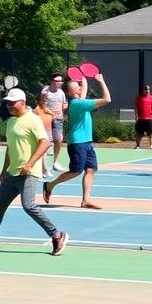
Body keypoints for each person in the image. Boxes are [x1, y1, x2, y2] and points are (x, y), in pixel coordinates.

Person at [0, 88, 69, 256]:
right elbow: (10, 147)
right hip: (12, 174)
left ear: (23, 102)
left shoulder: (33, 120)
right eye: (8, 103)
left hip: (29, 173)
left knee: (29, 206)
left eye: (13, 103)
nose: (10, 106)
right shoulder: (11, 122)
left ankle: (56, 235)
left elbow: (44, 143)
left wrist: (30, 163)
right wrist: (4, 169)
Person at [42, 73, 111, 210]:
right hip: (77, 143)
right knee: (76, 171)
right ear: (73, 92)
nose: (80, 88)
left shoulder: (78, 102)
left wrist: (83, 77)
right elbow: (107, 99)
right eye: (77, 87)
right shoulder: (78, 104)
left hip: (87, 142)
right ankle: (49, 185)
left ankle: (85, 201)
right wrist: (101, 81)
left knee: (90, 170)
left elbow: (83, 89)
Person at [40, 73, 68, 172]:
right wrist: (50, 113)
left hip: (58, 120)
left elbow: (64, 104)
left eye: (61, 81)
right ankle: (43, 168)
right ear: (52, 81)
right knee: (45, 142)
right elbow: (41, 105)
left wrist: (63, 108)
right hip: (46, 118)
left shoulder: (61, 93)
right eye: (57, 81)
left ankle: (55, 162)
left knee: (58, 140)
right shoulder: (45, 90)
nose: (59, 83)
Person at [33, 93, 54, 179]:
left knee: (44, 153)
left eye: (46, 101)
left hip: (48, 132)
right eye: (44, 100)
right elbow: (33, 120)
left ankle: (43, 170)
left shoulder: (46, 110)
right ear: (40, 101)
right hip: (41, 132)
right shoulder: (37, 110)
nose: (45, 102)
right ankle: (43, 170)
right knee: (42, 152)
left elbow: (53, 116)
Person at [134, 85, 152, 150]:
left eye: (148, 89)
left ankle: (151, 146)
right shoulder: (138, 98)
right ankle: (138, 146)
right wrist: (136, 118)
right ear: (143, 90)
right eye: (146, 89)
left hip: (149, 119)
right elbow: (136, 109)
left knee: (150, 134)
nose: (147, 91)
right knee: (139, 134)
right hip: (141, 119)